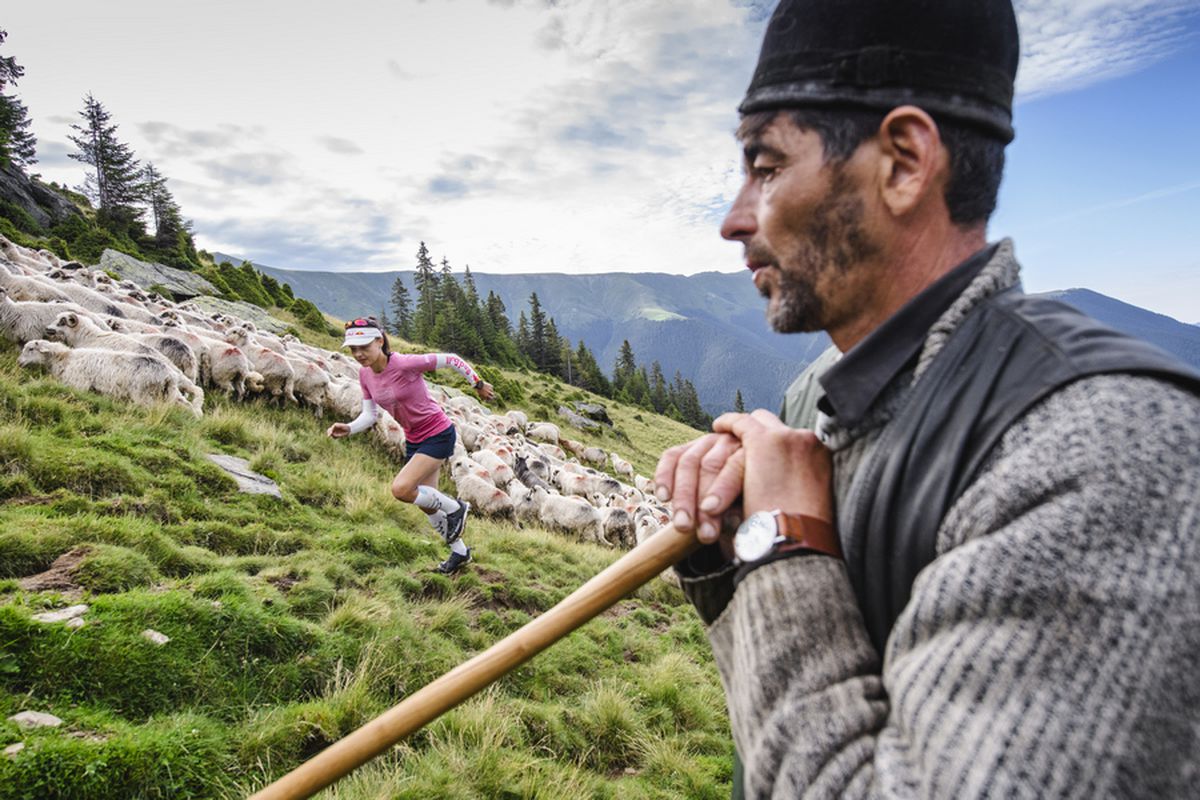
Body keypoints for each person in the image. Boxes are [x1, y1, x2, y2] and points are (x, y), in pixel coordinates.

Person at [654, 1, 1200, 796]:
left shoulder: (1112, 447)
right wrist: (728, 541)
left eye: (766, 167)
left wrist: (784, 546)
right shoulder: (816, 396)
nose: (734, 220)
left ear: (905, 163)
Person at [327, 316, 494, 575]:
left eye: (364, 347)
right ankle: (460, 552)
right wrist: (348, 428)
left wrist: (478, 384)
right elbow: (370, 415)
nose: (358, 354)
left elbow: (451, 359)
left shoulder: (404, 363)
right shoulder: (364, 375)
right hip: (414, 440)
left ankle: (457, 508)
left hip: (438, 433)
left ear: (380, 341)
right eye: (353, 349)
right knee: (427, 503)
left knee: (402, 489)